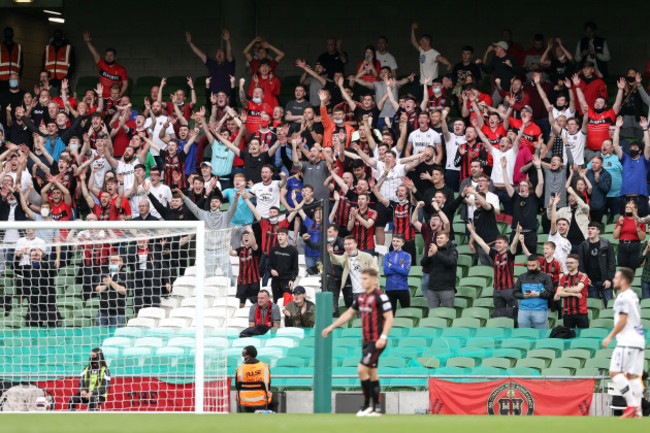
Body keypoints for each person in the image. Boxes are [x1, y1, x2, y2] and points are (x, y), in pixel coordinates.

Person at [322, 268, 393, 417]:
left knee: (361, 369)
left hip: (377, 340)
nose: (363, 281)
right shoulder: (360, 298)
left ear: (374, 280)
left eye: (366, 278)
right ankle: (377, 408)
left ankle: (367, 405)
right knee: (372, 373)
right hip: (366, 341)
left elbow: (389, 317)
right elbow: (349, 313)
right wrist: (332, 326)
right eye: (362, 278)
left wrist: (384, 337)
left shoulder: (381, 297)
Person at [603, 268, 645, 418]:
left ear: (624, 280)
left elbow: (623, 320)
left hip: (627, 341)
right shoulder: (633, 295)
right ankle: (638, 411)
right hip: (639, 341)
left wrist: (609, 337)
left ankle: (632, 405)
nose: (613, 279)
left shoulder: (623, 298)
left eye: (616, 277)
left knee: (614, 372)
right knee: (633, 376)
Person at [468, 223, 521, 310]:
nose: (497, 244)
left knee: (513, 314)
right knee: (499, 314)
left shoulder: (509, 254)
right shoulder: (494, 254)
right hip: (497, 291)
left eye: (499, 243)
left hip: (509, 290)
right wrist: (471, 231)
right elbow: (481, 242)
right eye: (496, 243)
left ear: (506, 244)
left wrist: (518, 233)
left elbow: (514, 245)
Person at [328, 236, 379, 304]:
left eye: (349, 244)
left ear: (355, 244)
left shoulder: (366, 256)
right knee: (359, 314)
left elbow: (376, 272)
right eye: (345, 244)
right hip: (356, 293)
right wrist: (331, 254)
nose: (347, 246)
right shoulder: (346, 257)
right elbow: (337, 260)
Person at [577, 221, 616, 308]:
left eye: (593, 229)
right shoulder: (583, 245)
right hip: (591, 282)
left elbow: (612, 263)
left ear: (598, 231)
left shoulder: (606, 244)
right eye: (589, 229)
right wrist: (585, 278)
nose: (590, 231)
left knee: (610, 306)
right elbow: (580, 265)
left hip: (605, 281)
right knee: (595, 307)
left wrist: (609, 279)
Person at [186, 31, 234, 97]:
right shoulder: (212, 64)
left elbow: (229, 53)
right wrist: (190, 43)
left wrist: (227, 41)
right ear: (215, 55)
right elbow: (201, 54)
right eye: (218, 53)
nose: (219, 54)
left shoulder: (229, 64)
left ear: (225, 56)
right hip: (213, 97)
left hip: (226, 97)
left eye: (222, 53)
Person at [513, 254, 553, 331]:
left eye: (533, 265)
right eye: (529, 265)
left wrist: (538, 294)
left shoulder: (545, 277)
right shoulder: (522, 277)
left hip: (540, 310)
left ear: (538, 264)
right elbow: (515, 293)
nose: (531, 268)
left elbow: (550, 293)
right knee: (524, 335)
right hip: (523, 311)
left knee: (541, 335)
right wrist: (523, 295)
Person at [82, 32, 127, 98]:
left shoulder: (121, 69)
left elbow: (125, 84)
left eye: (111, 55)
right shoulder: (101, 63)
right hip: (101, 96)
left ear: (115, 57)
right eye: (107, 55)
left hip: (113, 98)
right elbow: (94, 53)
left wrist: (119, 95)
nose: (109, 57)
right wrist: (88, 42)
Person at [420, 230, 457, 309]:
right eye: (437, 238)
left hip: (446, 289)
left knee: (447, 314)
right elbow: (423, 264)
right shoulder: (433, 249)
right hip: (432, 289)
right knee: (432, 315)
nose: (439, 240)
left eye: (441, 238)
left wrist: (437, 253)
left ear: (447, 239)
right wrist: (428, 257)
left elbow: (450, 262)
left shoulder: (452, 250)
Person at [235, 345, 278, 412]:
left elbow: (237, 387)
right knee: (275, 402)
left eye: (243, 355)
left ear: (248, 356)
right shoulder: (264, 367)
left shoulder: (240, 369)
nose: (242, 357)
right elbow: (268, 386)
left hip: (244, 400)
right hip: (262, 399)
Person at [556, 253, 590, 328]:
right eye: (567, 263)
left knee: (583, 337)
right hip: (567, 313)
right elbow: (559, 293)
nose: (568, 265)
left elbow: (578, 289)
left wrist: (565, 289)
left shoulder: (583, 276)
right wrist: (573, 294)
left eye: (571, 263)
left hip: (581, 313)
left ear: (577, 264)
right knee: (569, 338)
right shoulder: (564, 278)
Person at [95, 252, 128, 327]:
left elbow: (123, 291)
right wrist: (106, 285)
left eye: (116, 260)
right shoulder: (103, 273)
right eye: (111, 260)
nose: (113, 261)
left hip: (118, 313)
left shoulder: (125, 274)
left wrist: (111, 282)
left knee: (115, 337)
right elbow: (97, 288)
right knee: (100, 336)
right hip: (102, 311)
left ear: (121, 262)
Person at [231, 227, 261, 308]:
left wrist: (251, 232)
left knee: (255, 303)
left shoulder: (254, 248)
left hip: (254, 281)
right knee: (240, 303)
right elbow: (231, 252)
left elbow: (254, 243)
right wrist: (227, 241)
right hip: (242, 281)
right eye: (244, 236)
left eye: (248, 236)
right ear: (242, 239)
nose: (246, 237)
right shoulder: (240, 250)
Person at [268, 227, 298, 303]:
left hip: (287, 281)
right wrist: (271, 270)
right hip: (275, 281)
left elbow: (295, 268)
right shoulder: (273, 250)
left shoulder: (293, 251)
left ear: (287, 236)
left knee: (287, 304)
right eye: (278, 234)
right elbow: (269, 265)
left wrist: (292, 279)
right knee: (277, 303)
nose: (280, 236)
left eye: (282, 234)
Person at [382, 234, 412, 312]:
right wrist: (399, 268)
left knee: (406, 313)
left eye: (398, 241)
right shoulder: (387, 256)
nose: (395, 243)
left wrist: (391, 266)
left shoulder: (407, 256)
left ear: (402, 243)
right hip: (389, 289)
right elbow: (385, 271)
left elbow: (405, 272)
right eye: (394, 241)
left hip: (403, 289)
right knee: (390, 315)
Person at [614, 200, 646, 269]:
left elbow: (642, 238)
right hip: (622, 246)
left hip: (635, 247)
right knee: (622, 270)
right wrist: (620, 224)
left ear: (636, 209)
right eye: (626, 207)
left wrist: (637, 227)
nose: (627, 208)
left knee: (634, 269)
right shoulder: (621, 220)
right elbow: (615, 236)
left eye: (630, 207)